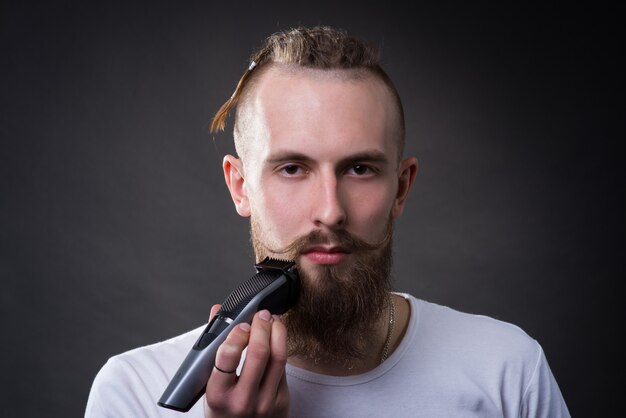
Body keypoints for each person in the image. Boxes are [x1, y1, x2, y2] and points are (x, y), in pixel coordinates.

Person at [85, 25, 570, 417]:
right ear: (240, 186)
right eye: (292, 168)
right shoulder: (133, 394)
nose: (331, 211)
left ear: (401, 187)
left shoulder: (508, 369)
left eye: (359, 169)